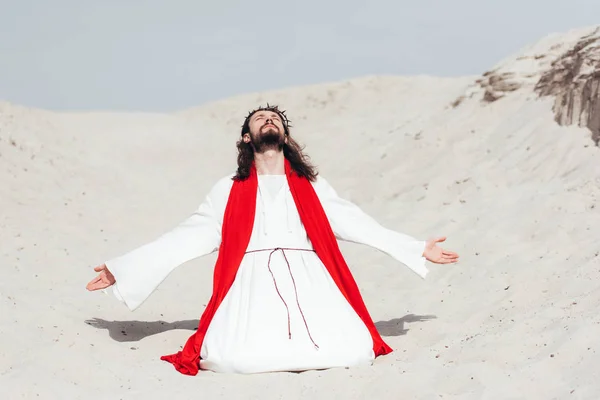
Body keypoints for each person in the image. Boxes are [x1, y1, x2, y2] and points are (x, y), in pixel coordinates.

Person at [86, 105, 459, 376]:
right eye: (261, 119)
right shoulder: (228, 191)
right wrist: (124, 269)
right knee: (234, 358)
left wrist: (415, 247)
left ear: (284, 137)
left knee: (354, 350)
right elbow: (185, 237)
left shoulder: (313, 187)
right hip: (251, 280)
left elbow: (357, 223)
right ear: (247, 137)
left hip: (310, 275)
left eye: (276, 120)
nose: (270, 121)